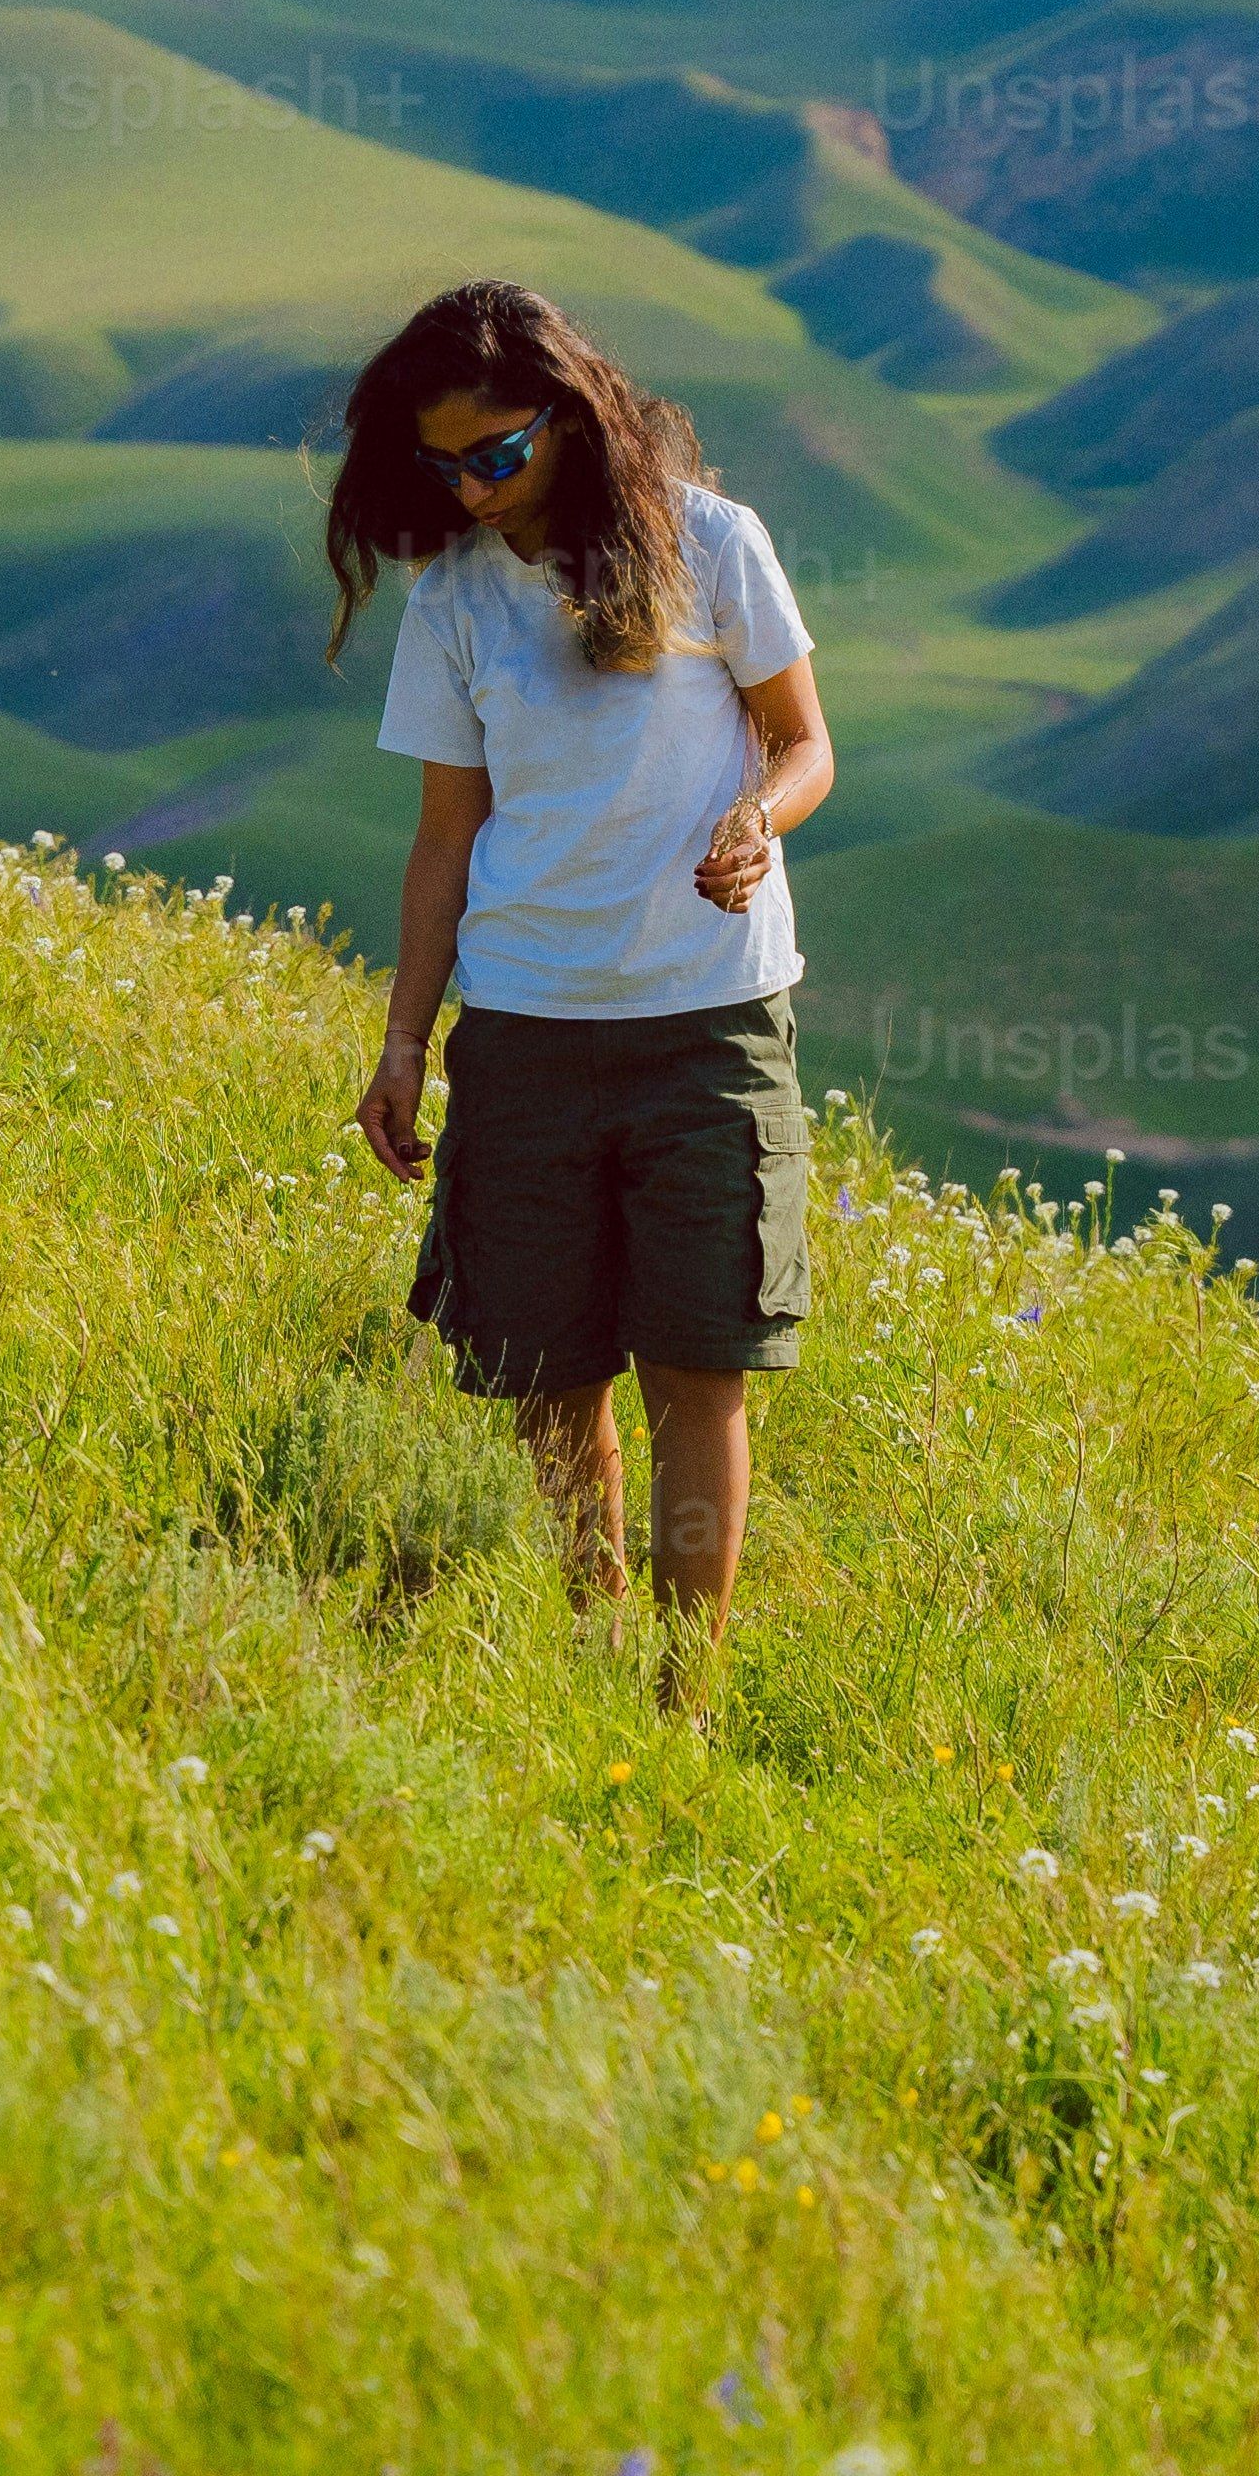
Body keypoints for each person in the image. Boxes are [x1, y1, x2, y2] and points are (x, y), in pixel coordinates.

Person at [322, 279, 831, 1669]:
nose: (475, 489)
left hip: (708, 1021)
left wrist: (755, 822)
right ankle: (599, 1646)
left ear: (572, 417)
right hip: (528, 1028)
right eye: (443, 466)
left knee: (699, 1370)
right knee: (551, 1382)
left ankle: (686, 1693)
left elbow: (806, 746)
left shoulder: (714, 544)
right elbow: (446, 838)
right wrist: (403, 1046)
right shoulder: (455, 606)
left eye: (499, 454)